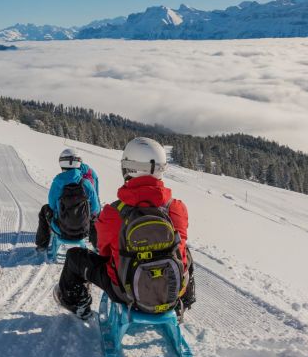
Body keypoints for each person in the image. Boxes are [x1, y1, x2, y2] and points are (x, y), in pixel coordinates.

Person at [53, 137, 196, 320]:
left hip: (125, 291)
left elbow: (104, 252)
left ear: (128, 168)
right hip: (172, 291)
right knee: (185, 251)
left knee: (75, 257)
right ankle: (184, 300)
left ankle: (76, 303)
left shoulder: (114, 212)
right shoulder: (176, 207)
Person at [35, 147, 101, 251]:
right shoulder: (86, 184)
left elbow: (52, 206)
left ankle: (42, 245)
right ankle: (98, 245)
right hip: (84, 231)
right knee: (96, 216)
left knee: (45, 209)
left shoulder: (57, 184)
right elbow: (95, 209)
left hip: (61, 230)